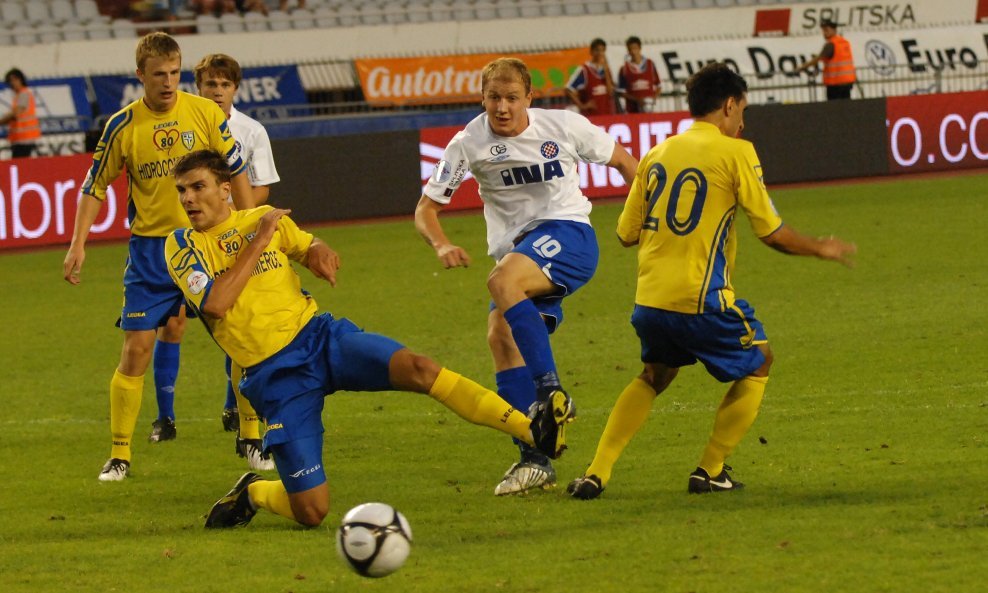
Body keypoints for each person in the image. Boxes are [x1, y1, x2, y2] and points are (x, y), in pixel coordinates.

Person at [158, 150, 566, 528]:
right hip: (274, 377)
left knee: (420, 368)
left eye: (198, 186)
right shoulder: (182, 245)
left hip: (319, 338)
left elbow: (306, 244)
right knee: (312, 511)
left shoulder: (265, 218)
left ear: (224, 189)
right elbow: (215, 304)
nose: (188, 198)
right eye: (182, 190)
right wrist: (259, 241)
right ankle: (255, 491)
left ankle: (535, 431)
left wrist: (318, 250)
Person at [567, 63, 857, 500]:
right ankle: (710, 468)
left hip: (650, 300)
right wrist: (822, 247)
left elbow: (625, 235)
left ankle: (597, 472)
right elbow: (772, 233)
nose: (743, 121)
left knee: (654, 374)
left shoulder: (658, 154)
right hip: (701, 297)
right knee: (760, 360)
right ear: (727, 106)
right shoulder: (736, 152)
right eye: (742, 110)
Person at [415, 57, 638, 496]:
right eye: (494, 97)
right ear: (482, 99)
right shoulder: (468, 144)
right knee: (500, 334)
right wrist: (441, 243)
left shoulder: (563, 127)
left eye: (511, 98)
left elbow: (629, 166)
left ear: (529, 98)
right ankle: (535, 459)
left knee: (501, 283)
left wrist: (643, 223)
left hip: (569, 235)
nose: (502, 107)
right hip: (520, 255)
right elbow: (426, 210)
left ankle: (552, 394)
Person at [62, 32, 253, 482]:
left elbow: (237, 170)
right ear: (140, 76)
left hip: (207, 244)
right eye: (158, 75)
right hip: (152, 253)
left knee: (242, 337)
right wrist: (78, 242)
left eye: (174, 73)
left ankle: (251, 435)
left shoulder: (205, 113)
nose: (168, 83)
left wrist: (251, 228)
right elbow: (95, 186)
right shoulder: (123, 125)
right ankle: (120, 455)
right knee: (136, 349)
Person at [194, 52, 281, 470]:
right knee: (172, 328)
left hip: (233, 236)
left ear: (234, 89)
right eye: (210, 83)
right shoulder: (188, 124)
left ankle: (244, 423)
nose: (216, 91)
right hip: (192, 242)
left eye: (223, 84)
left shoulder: (250, 131)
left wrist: (229, 206)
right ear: (199, 88)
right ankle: (165, 417)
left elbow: (261, 188)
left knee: (236, 321)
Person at [796, 19, 856, 101]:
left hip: (835, 84)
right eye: (823, 30)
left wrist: (802, 67)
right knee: (846, 107)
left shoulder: (831, 44)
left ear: (834, 30)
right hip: (847, 82)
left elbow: (819, 58)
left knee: (834, 110)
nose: (824, 33)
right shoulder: (844, 42)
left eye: (827, 30)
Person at [565, 38, 617, 116]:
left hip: (607, 115)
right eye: (597, 50)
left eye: (602, 50)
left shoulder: (606, 70)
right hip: (591, 117)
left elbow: (610, 92)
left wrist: (606, 70)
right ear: (591, 52)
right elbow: (568, 89)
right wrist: (582, 106)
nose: (600, 53)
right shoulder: (584, 70)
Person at [1, 68, 42, 159]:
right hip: (19, 139)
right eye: (10, 81)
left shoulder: (24, 94)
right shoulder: (19, 96)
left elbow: (15, 113)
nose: (12, 83)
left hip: (24, 139)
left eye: (15, 79)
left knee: (19, 164)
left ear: (21, 79)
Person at [617, 36, 661, 114]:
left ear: (640, 48)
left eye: (635, 48)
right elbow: (622, 92)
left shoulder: (650, 64)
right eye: (630, 49)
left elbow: (659, 86)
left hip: (648, 109)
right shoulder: (624, 69)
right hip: (632, 110)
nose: (633, 52)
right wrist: (637, 100)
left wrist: (652, 99)